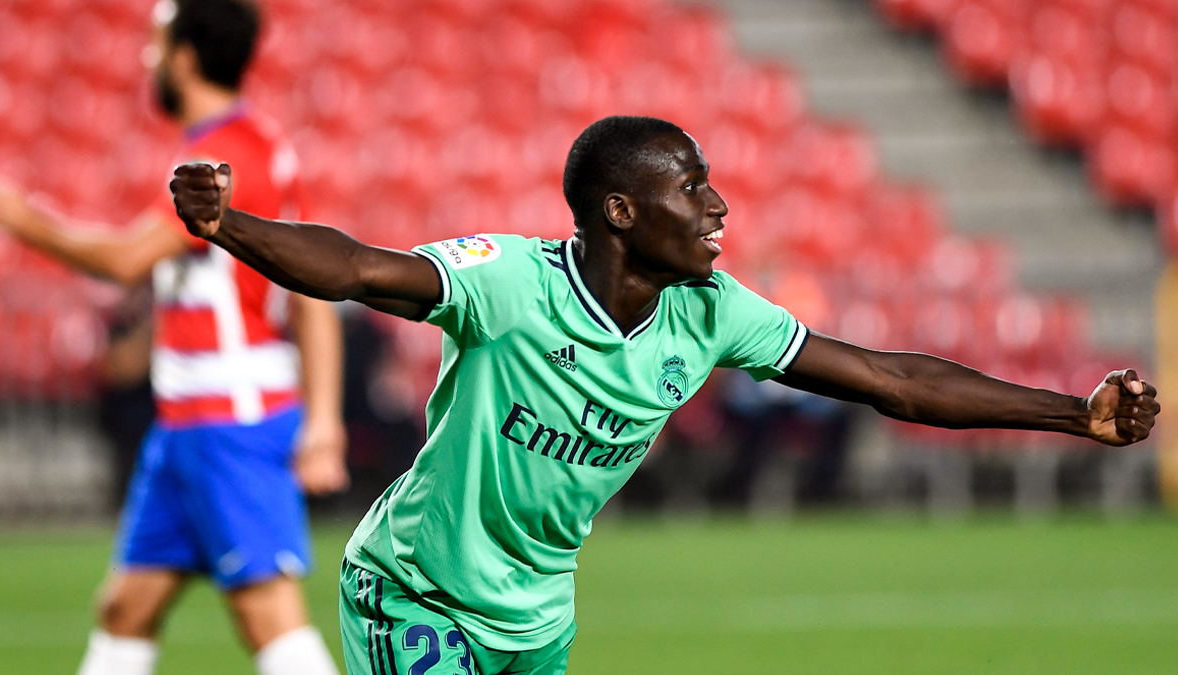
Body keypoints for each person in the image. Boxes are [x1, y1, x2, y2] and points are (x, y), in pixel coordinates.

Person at [167, 115, 1159, 675]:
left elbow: (889, 378)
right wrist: (230, 227)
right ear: (621, 210)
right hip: (417, 588)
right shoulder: (512, 283)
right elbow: (357, 269)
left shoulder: (712, 311)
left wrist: (1071, 413)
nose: (718, 206)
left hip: (536, 612)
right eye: (693, 188)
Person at [0, 2, 346, 674]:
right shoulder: (255, 144)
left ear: (182, 58)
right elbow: (310, 300)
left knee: (266, 612)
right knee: (127, 606)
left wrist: (22, 219)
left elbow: (125, 258)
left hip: (230, 418)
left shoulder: (225, 157)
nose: (147, 61)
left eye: (155, 47)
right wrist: (322, 417)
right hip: (187, 424)